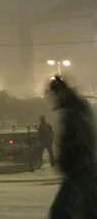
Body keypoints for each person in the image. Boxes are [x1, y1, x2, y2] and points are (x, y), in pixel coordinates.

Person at [47, 75, 97, 218]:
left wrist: (66, 161)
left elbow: (78, 141)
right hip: (85, 170)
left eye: (53, 95)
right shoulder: (78, 108)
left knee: (60, 212)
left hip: (79, 171)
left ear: (59, 93)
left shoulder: (73, 112)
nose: (53, 99)